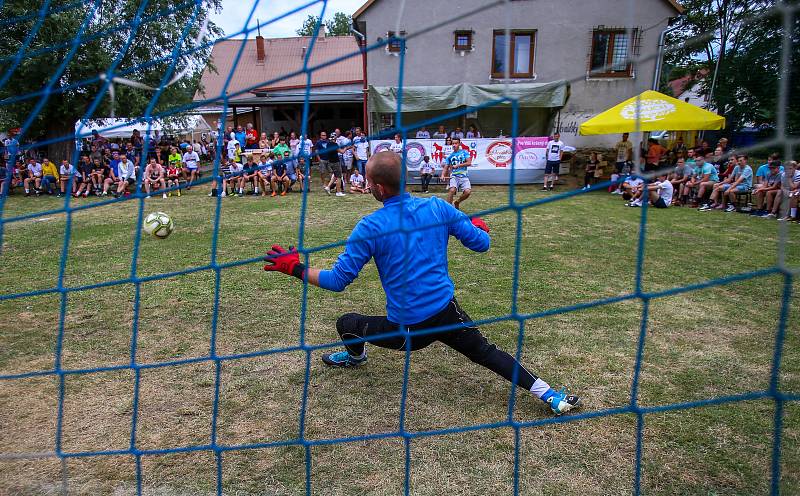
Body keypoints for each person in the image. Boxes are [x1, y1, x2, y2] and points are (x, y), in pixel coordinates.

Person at [261, 151, 581, 416]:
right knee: (486, 352)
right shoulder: (438, 207)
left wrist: (296, 268)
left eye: (369, 181)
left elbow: (337, 281)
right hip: (447, 313)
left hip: (408, 332)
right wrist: (474, 225)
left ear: (379, 189)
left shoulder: (370, 226)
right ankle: (550, 395)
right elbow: (481, 244)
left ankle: (356, 356)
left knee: (347, 322)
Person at [443, 137, 472, 209]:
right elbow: (446, 167)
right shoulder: (450, 156)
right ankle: (448, 209)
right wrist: (442, 175)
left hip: (464, 176)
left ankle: (457, 202)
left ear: (459, 144)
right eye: (453, 143)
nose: (454, 145)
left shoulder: (464, 152)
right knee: (452, 190)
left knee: (467, 192)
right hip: (454, 176)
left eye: (456, 143)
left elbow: (469, 163)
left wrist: (458, 165)